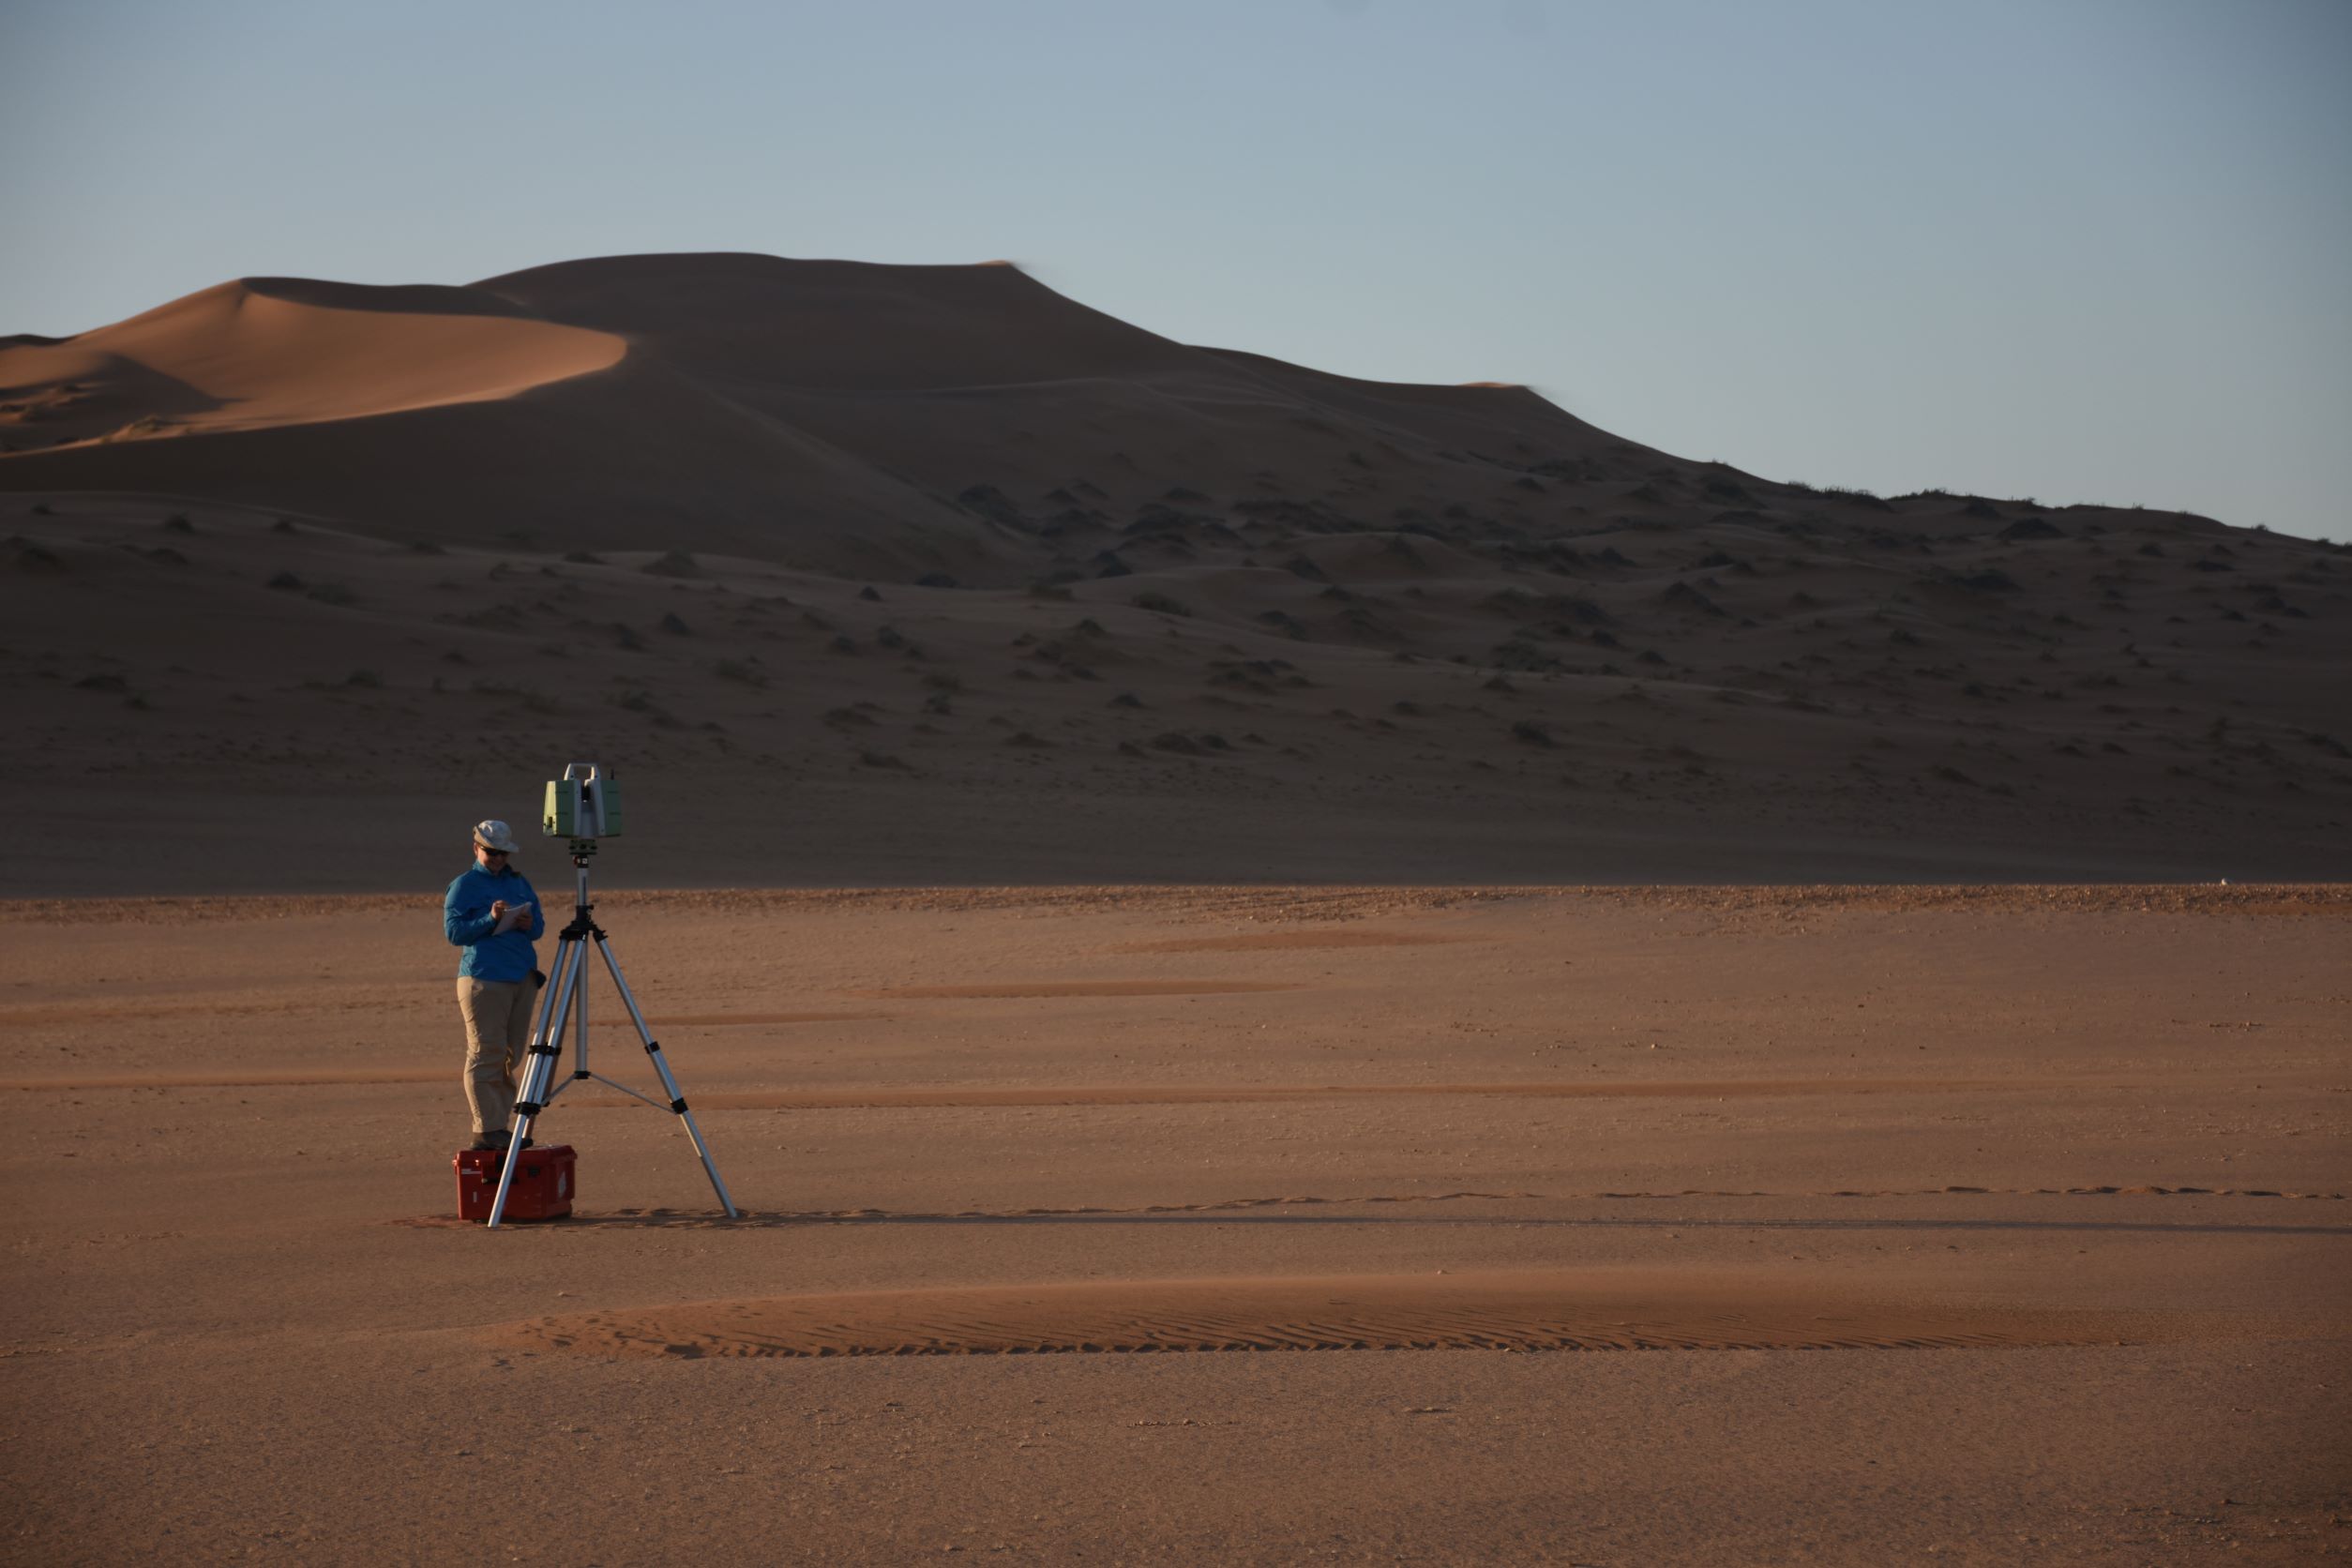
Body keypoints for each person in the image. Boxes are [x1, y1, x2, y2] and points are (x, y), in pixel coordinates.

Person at [445, 820, 547, 1151]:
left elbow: (538, 928)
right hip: (484, 978)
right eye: (492, 852)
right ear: (476, 848)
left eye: (502, 853)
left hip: (520, 975)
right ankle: (485, 1128)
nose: (498, 858)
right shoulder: (464, 885)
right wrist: (490, 919)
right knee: (485, 1051)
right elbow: (455, 933)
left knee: (510, 1052)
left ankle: (499, 1125)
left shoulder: (518, 882)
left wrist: (530, 923)